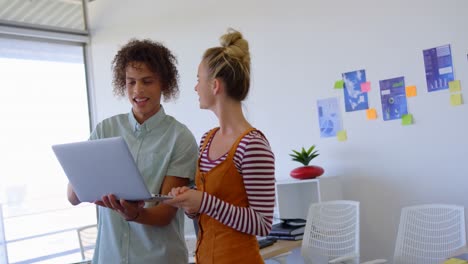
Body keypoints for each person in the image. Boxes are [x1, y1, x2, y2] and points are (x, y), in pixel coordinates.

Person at [66, 39, 198, 263]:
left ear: (164, 83)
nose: (138, 90)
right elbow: (73, 196)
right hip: (110, 257)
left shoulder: (180, 138)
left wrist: (134, 214)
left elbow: (165, 213)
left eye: (147, 81)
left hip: (158, 258)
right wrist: (83, 185)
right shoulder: (106, 129)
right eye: (131, 82)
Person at [164, 29, 276, 263]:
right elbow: (206, 209)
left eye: (198, 79)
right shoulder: (207, 140)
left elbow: (262, 223)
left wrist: (203, 201)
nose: (195, 88)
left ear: (215, 85)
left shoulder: (252, 145)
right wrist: (190, 202)